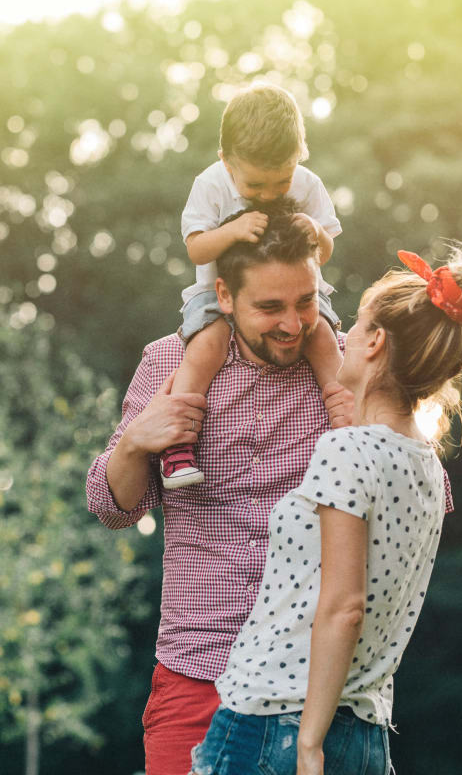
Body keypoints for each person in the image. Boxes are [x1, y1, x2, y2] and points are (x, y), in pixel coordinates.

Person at [189, 245, 462, 775]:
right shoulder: (427, 468)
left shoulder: (348, 450)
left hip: (275, 726)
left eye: (354, 324)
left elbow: (344, 607)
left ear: (376, 342)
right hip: (368, 736)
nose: (342, 336)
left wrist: (309, 744)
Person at [86, 210, 355, 775]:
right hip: (198, 670)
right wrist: (136, 444)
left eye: (305, 301)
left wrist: (368, 425)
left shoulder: (349, 367)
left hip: (314, 682)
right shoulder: (169, 361)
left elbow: (419, 504)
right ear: (224, 296)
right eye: (270, 307)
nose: (292, 324)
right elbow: (111, 506)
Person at [159, 82, 343, 489]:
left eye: (280, 183)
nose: (267, 195)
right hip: (215, 294)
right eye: (255, 186)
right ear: (227, 162)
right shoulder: (211, 185)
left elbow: (325, 251)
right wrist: (235, 230)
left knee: (325, 342)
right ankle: (177, 447)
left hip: (297, 290)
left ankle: (348, 425)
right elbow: (196, 249)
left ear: (299, 156)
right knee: (205, 349)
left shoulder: (308, 184)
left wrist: (314, 230)